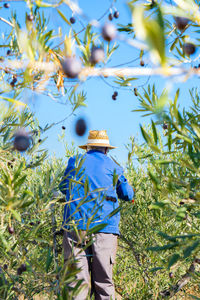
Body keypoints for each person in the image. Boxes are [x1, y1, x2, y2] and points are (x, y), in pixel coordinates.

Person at [59, 130, 134, 300]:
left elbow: (63, 187)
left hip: (75, 227)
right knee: (104, 283)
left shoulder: (75, 162)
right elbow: (127, 194)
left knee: (76, 285)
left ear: (88, 147)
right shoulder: (114, 167)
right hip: (104, 229)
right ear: (107, 150)